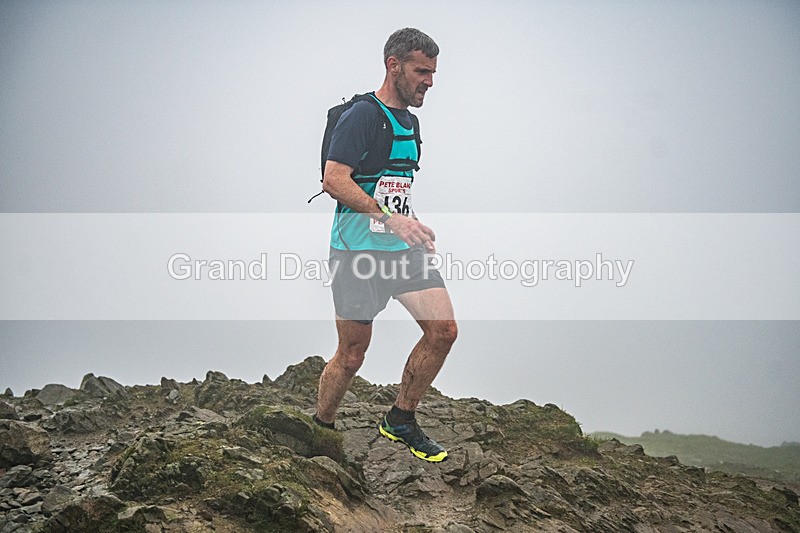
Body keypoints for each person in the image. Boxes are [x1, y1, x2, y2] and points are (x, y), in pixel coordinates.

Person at [313, 28, 457, 463]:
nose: (429, 81)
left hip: (402, 252)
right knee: (353, 355)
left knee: (444, 331)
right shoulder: (361, 115)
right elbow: (334, 180)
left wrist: (410, 226)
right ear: (393, 66)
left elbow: (393, 187)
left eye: (433, 72)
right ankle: (321, 429)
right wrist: (391, 219)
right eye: (421, 71)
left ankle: (401, 418)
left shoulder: (412, 123)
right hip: (355, 254)